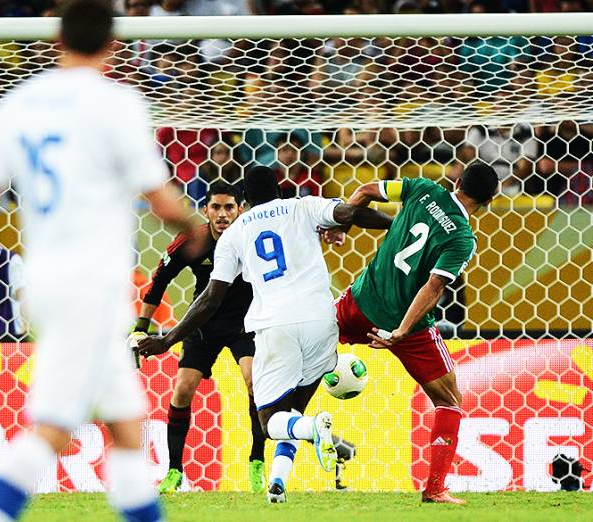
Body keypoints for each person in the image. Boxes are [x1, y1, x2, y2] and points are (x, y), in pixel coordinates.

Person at [0, 2, 204, 520]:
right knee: (54, 428)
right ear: (114, 44)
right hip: (92, 283)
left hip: (44, 279)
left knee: (128, 425)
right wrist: (195, 227)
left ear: (57, 37)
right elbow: (164, 203)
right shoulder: (117, 104)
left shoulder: (20, 102)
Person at [138, 166, 393, 504]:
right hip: (321, 321)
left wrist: (165, 339)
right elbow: (350, 212)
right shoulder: (303, 206)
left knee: (272, 418)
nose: (223, 213)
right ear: (279, 190)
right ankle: (276, 483)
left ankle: (306, 434)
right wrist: (395, 224)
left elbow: (210, 297)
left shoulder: (236, 233)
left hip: (271, 325)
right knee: (292, 409)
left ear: (243, 202)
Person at [329, 163, 499, 505]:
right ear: (489, 201)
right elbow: (434, 286)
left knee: (303, 350)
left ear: (457, 180)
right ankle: (435, 488)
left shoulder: (422, 188)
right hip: (407, 328)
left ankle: (281, 436)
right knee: (449, 401)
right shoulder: (462, 239)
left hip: (359, 303)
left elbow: (364, 190)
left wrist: (341, 226)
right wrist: (401, 331)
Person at [135, 182, 267, 494]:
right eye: (216, 208)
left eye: (229, 208)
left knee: (253, 382)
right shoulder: (192, 241)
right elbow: (159, 280)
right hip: (203, 323)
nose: (223, 215)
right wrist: (141, 325)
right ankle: (174, 471)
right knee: (182, 390)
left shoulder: (251, 238)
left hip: (245, 323)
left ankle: (257, 461)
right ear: (205, 210)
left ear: (240, 210)